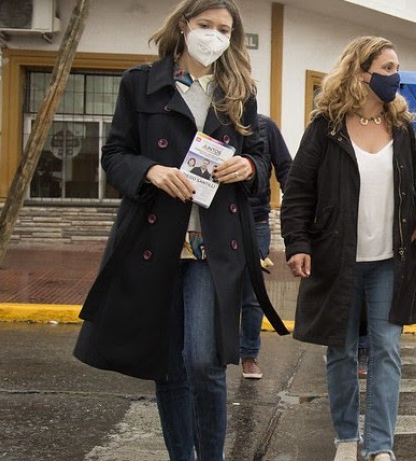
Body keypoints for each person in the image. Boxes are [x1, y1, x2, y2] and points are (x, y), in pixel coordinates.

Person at [71, 1, 289, 460]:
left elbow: (261, 156)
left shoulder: (239, 90)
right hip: (155, 241)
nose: (214, 34)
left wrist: (246, 165)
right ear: (184, 25)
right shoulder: (140, 83)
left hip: (212, 243)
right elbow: (115, 154)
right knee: (168, 365)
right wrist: (150, 171)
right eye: (205, 24)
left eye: (224, 28)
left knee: (204, 362)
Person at [281, 36, 416, 461]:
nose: (395, 77)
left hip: (391, 260)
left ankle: (381, 445)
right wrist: (297, 242)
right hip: (338, 259)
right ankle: (347, 438)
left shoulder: (402, 129)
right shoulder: (326, 128)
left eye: (396, 68)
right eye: (387, 68)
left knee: (387, 349)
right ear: (360, 72)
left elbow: (414, 187)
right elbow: (297, 192)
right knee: (342, 351)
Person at [240, 113, 292, 380]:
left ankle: (249, 355)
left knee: (253, 292)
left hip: (256, 221)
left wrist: (297, 212)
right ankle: (208, 354)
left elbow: (286, 169)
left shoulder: (265, 126)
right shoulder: (211, 122)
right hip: (215, 221)